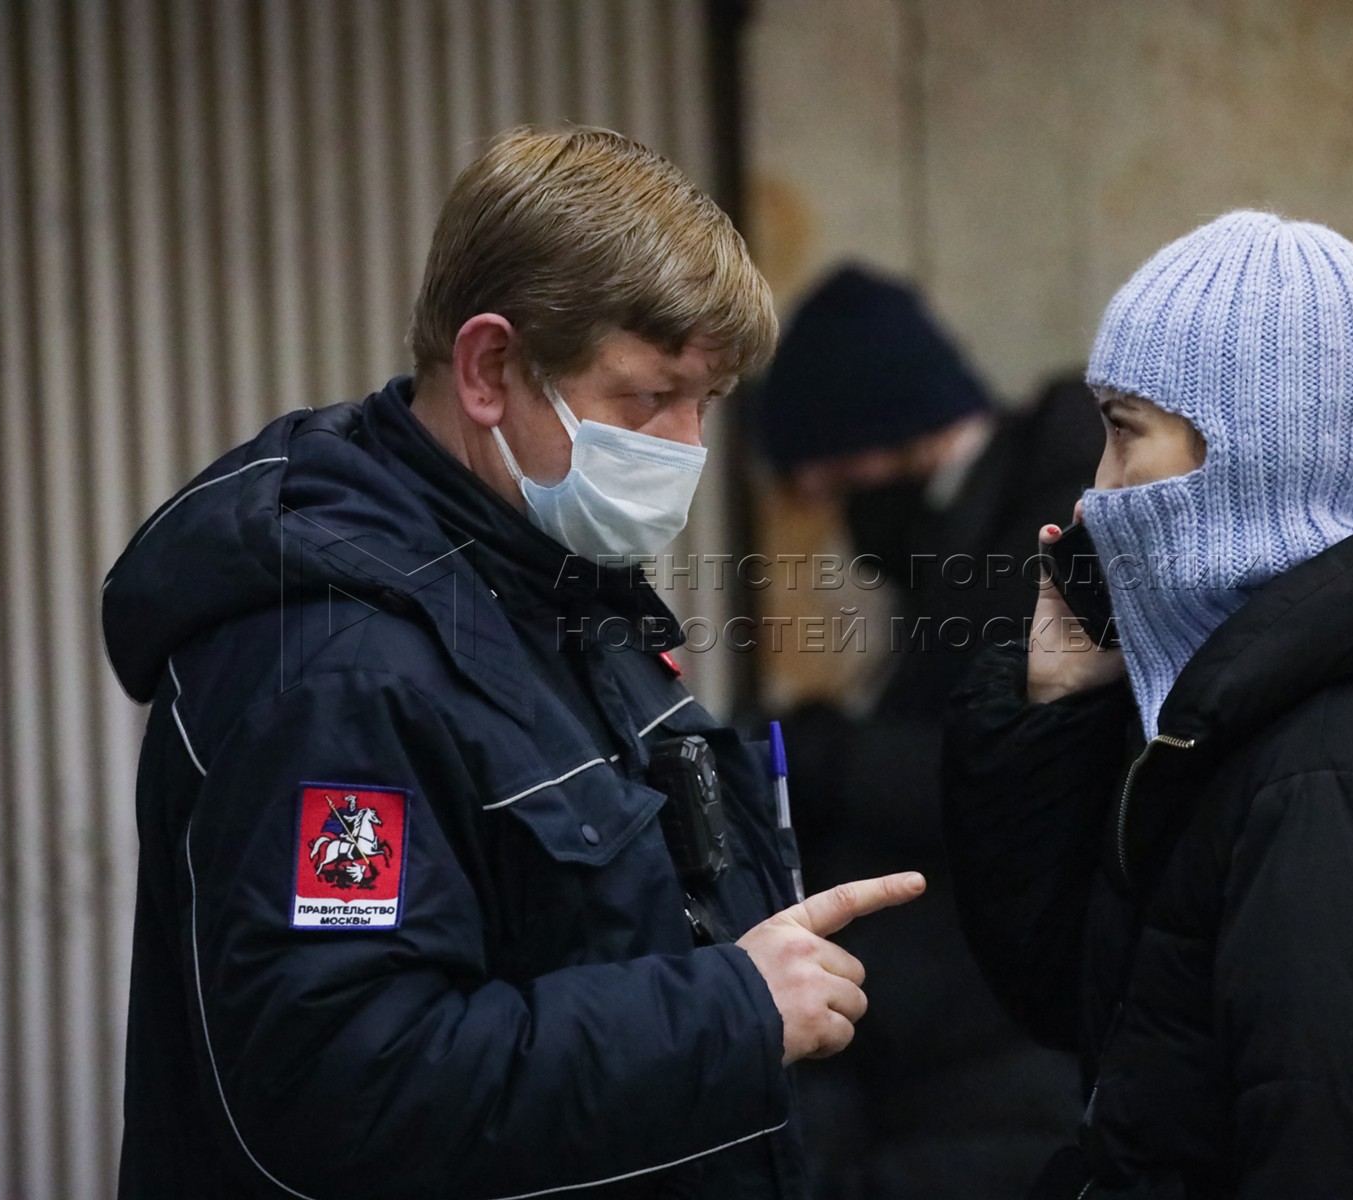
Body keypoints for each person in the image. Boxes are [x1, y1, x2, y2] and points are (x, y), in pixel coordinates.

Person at [102, 126, 924, 1200]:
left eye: (707, 403)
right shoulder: (334, 672)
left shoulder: (552, 587)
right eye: (648, 398)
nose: (686, 445)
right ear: (490, 369)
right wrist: (733, 1013)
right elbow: (342, 1089)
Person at [943, 211, 1353, 1198]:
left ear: (1250, 460)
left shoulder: (1329, 782)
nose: (1097, 490)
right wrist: (1053, 709)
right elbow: (1084, 1007)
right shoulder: (1255, 717)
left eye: (1125, 432)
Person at [751, 265, 1103, 1198]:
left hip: (1001, 1061)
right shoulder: (970, 532)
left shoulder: (1039, 541)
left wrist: (820, 760)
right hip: (958, 1056)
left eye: (835, 483)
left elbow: (1014, 774)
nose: (836, 515)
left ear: (887, 439)